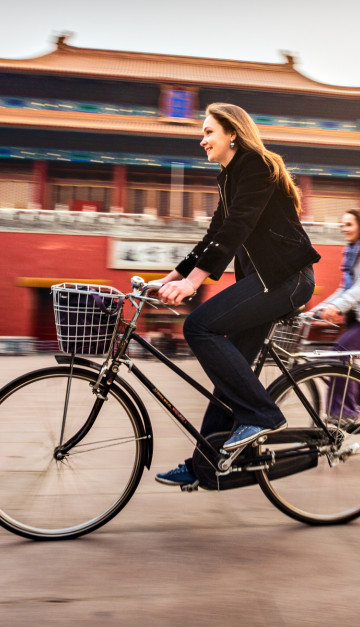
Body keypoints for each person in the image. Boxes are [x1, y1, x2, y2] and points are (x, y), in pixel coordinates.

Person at [154, 102, 320, 486]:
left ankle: (262, 415)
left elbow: (237, 229)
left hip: (286, 279)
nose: (202, 140)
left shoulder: (256, 167)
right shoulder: (228, 177)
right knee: (231, 375)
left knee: (199, 327)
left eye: (209, 131)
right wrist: (170, 277)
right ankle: (206, 466)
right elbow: (213, 236)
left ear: (232, 133)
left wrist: (193, 283)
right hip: (265, 281)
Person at [313, 210, 360, 428]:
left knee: (340, 352)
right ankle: (354, 406)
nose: (344, 228)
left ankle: (346, 412)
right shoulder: (350, 251)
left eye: (349, 224)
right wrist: (319, 309)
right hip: (355, 318)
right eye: (343, 224)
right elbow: (344, 288)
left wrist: (337, 308)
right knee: (347, 359)